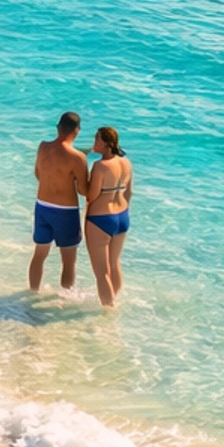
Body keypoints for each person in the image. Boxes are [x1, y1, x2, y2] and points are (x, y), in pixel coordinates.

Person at [30, 110, 89, 293]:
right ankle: (64, 299)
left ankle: (32, 292)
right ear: (76, 131)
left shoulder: (43, 147)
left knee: (39, 254)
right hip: (65, 211)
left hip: (42, 206)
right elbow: (83, 190)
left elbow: (38, 174)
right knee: (68, 260)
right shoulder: (78, 157)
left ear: (59, 128)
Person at [84, 124, 133, 310]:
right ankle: (113, 299)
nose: (94, 142)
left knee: (102, 273)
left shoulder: (100, 166)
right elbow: (129, 192)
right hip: (122, 217)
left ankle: (108, 309)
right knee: (114, 263)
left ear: (107, 144)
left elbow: (92, 195)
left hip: (100, 219)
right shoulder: (126, 163)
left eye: (97, 139)